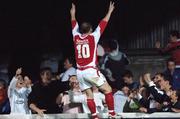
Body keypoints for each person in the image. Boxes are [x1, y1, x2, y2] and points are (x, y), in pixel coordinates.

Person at [70, 1, 115, 119]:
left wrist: (73, 14)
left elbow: (73, 24)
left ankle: (94, 116)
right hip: (90, 70)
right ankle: (112, 114)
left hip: (79, 72)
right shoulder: (93, 37)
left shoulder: (75, 36)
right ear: (90, 29)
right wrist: (109, 11)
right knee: (108, 90)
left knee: (89, 95)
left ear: (81, 29)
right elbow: (103, 23)